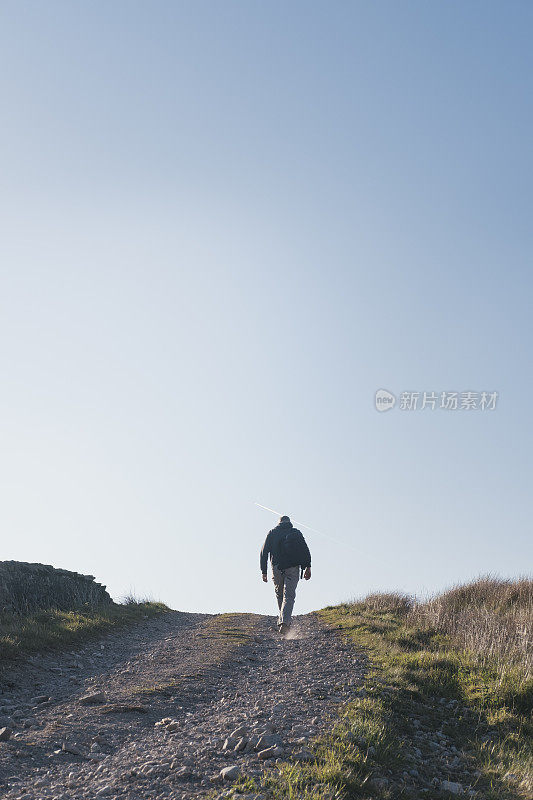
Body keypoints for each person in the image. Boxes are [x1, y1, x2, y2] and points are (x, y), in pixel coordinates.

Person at [260, 515, 311, 634]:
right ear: (289, 523)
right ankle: (285, 622)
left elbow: (263, 553)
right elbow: (305, 550)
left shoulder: (272, 533)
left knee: (280, 595)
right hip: (293, 568)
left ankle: (284, 621)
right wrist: (308, 567)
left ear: (279, 522)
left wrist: (264, 571)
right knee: (289, 596)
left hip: (277, 568)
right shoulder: (296, 533)